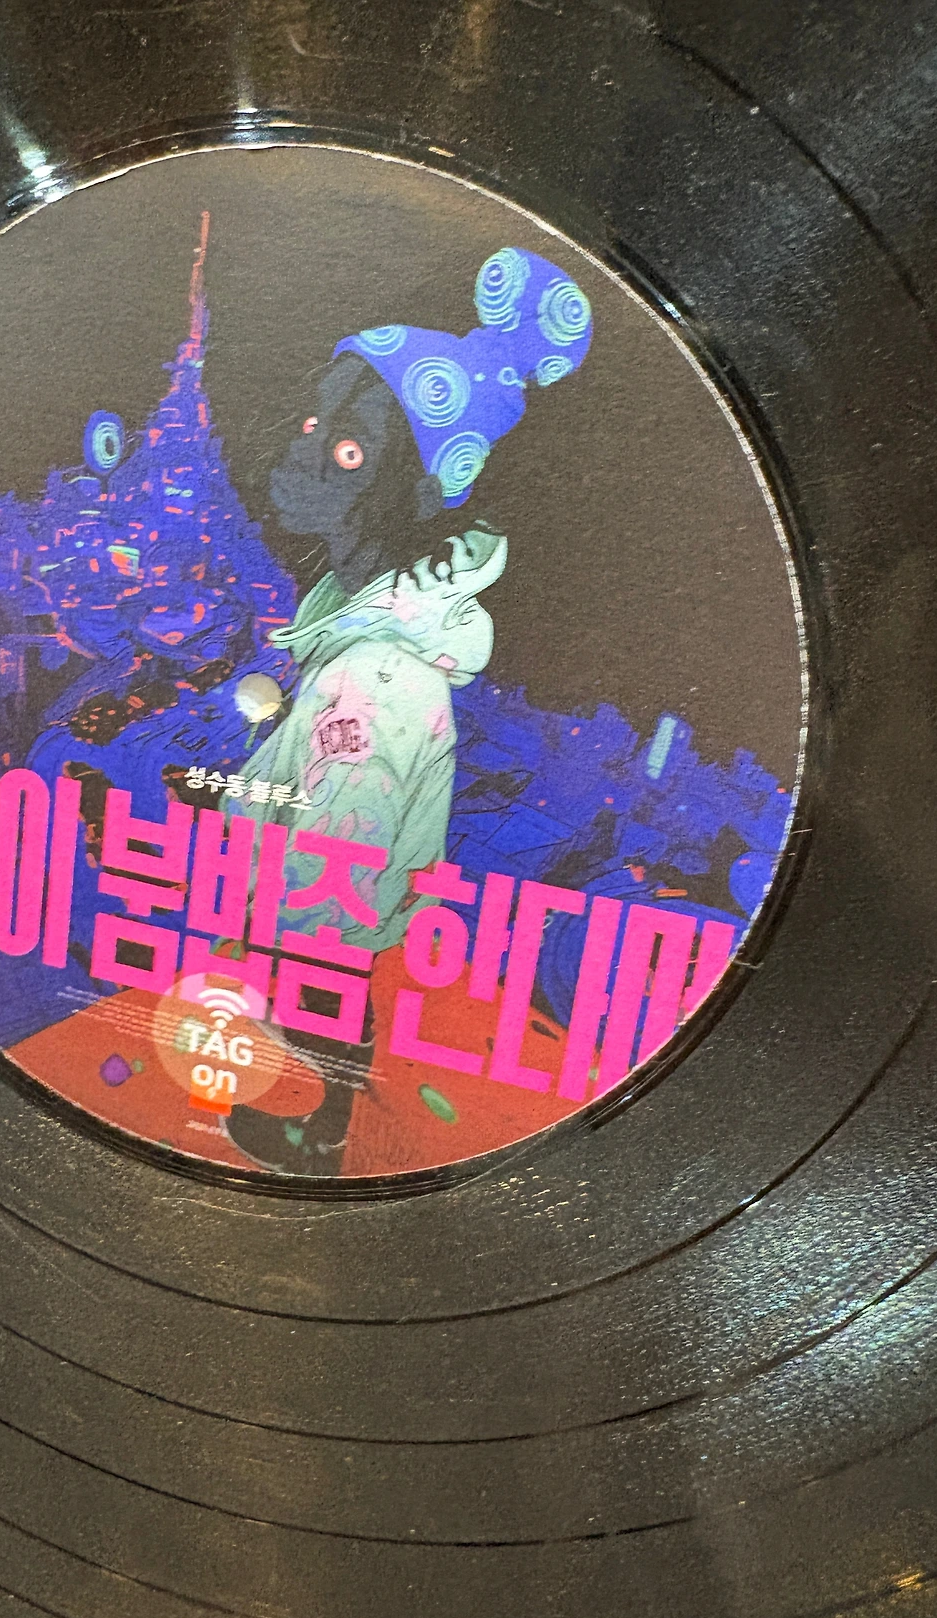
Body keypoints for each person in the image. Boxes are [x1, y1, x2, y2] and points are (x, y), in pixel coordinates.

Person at [224, 246, 593, 1174]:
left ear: (425, 487)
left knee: (324, 1004)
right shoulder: (361, 630)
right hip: (319, 927)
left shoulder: (375, 676)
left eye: (347, 451)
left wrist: (265, 920)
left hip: (316, 935)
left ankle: (315, 1128)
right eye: (313, 424)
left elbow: (334, 877)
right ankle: (321, 1115)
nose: (302, 452)